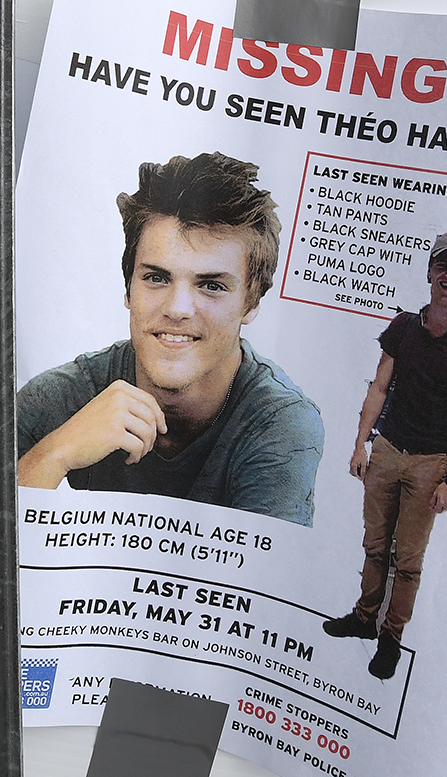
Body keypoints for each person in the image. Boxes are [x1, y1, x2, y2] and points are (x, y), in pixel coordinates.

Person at [16, 152, 323, 526]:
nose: (177, 309)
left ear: (251, 303)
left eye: (211, 286)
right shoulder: (58, 397)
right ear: (129, 289)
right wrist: (53, 456)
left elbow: (262, 580)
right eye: (156, 278)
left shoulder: (280, 422)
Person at [322, 231, 447, 679]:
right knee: (375, 545)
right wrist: (362, 442)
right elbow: (379, 387)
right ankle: (365, 619)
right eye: (444, 265)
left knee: (409, 560)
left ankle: (391, 638)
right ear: (429, 271)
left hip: (431, 464)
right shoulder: (403, 327)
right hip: (386, 450)